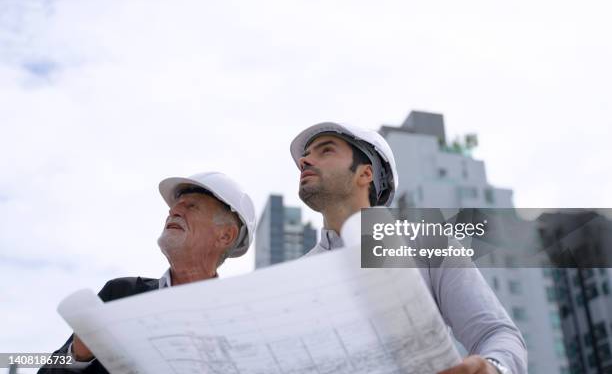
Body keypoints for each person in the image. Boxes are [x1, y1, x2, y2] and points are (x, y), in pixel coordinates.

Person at [290, 122, 527, 374]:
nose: (305, 161)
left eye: (325, 150)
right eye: (305, 155)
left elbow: (494, 332)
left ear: (365, 174)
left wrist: (493, 368)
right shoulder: (293, 278)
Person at [38, 172, 256, 374]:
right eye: (174, 208)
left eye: (191, 206)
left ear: (225, 236)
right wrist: (79, 355)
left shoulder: (241, 323)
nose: (174, 212)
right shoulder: (120, 294)